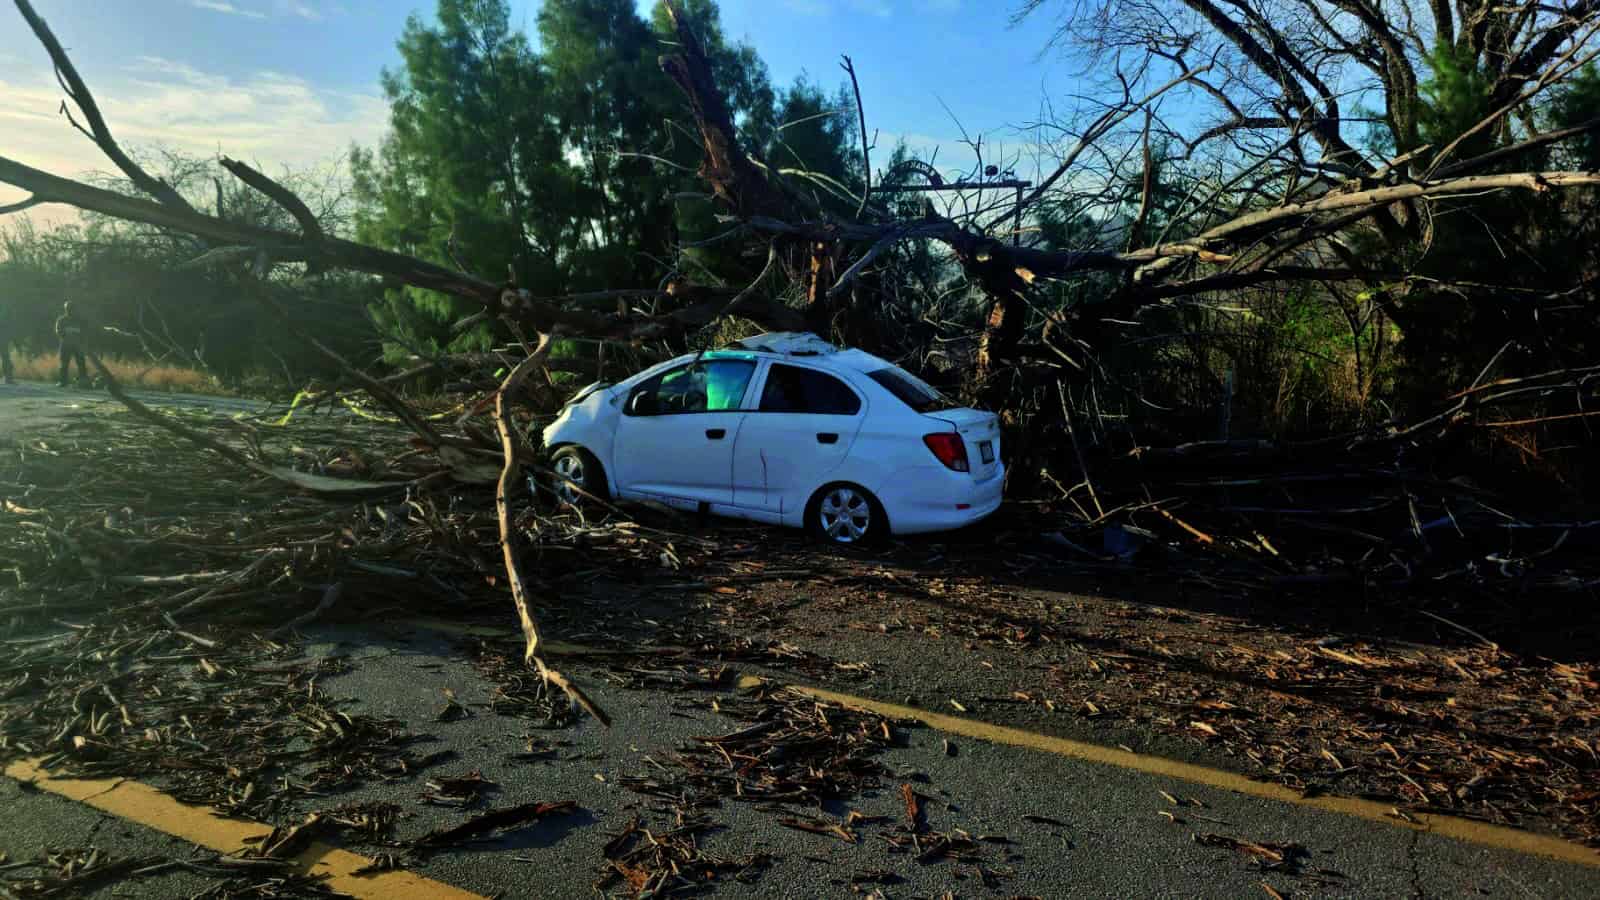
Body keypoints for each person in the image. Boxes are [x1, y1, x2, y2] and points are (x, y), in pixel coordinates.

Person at [55, 300, 88, 387]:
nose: (70, 310)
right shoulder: (61, 320)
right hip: (66, 344)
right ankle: (63, 381)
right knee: (64, 363)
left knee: (81, 363)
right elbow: (58, 331)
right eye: (68, 309)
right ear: (66, 309)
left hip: (78, 345)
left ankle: (83, 381)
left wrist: (82, 341)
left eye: (71, 309)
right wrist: (66, 336)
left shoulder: (80, 320)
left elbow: (84, 332)